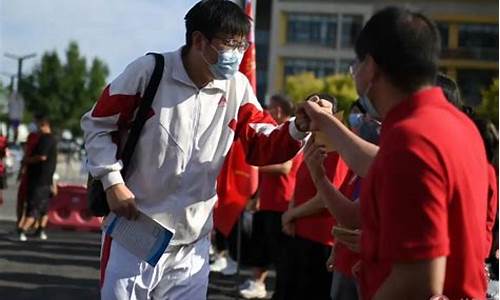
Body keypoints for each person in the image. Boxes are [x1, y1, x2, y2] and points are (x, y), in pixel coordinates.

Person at [81, 1, 308, 299]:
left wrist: (298, 127)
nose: (238, 54)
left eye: (242, 45)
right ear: (198, 40)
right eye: (230, 44)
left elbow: (262, 141)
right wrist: (112, 182)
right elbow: (98, 124)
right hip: (136, 230)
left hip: (194, 242)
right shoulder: (150, 71)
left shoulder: (237, 87)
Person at [299, 6, 489, 299]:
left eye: (357, 65)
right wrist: (325, 121)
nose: (355, 74)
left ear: (371, 68)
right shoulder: (457, 125)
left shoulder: (411, 139)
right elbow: (375, 163)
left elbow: (419, 280)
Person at [281, 94, 349, 300]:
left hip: (321, 240)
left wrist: (292, 213)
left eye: (321, 106)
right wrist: (291, 214)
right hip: (300, 234)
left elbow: (326, 198)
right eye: (310, 105)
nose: (314, 110)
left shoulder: (337, 144)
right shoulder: (312, 141)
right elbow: (301, 184)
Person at [239, 94, 302, 299]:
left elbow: (285, 167)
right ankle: (258, 283)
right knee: (261, 248)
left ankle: (281, 292)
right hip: (267, 202)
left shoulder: (292, 134)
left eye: (271, 107)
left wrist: (253, 167)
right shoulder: (272, 133)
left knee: (281, 254)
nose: (266, 110)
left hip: (282, 203)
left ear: (280, 110)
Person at [17, 116, 57, 241]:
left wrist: (26, 160)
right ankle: (40, 231)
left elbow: (42, 157)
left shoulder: (45, 139)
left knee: (34, 206)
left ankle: (22, 230)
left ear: (44, 125)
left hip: (39, 180)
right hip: (46, 179)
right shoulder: (52, 139)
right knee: (43, 208)